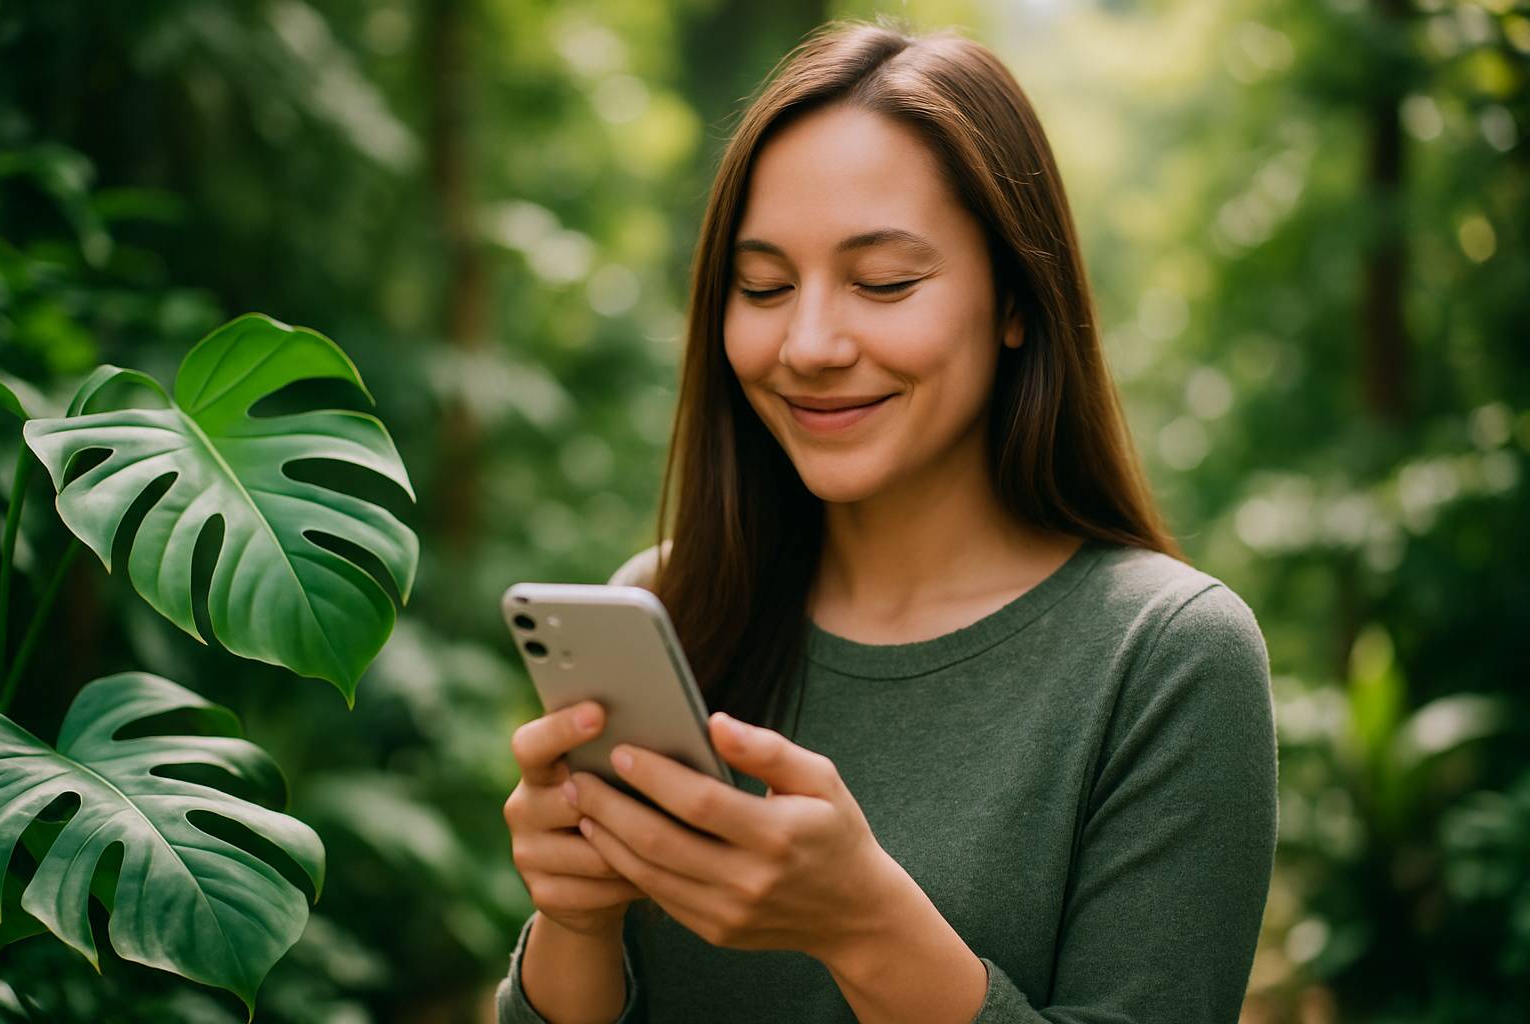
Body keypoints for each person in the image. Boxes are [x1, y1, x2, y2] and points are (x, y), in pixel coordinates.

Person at [496, 17, 1276, 1024]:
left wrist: (863, 924)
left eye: (884, 282)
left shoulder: (1167, 657)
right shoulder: (665, 605)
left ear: (1015, 302)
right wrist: (576, 918)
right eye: (763, 286)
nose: (809, 342)